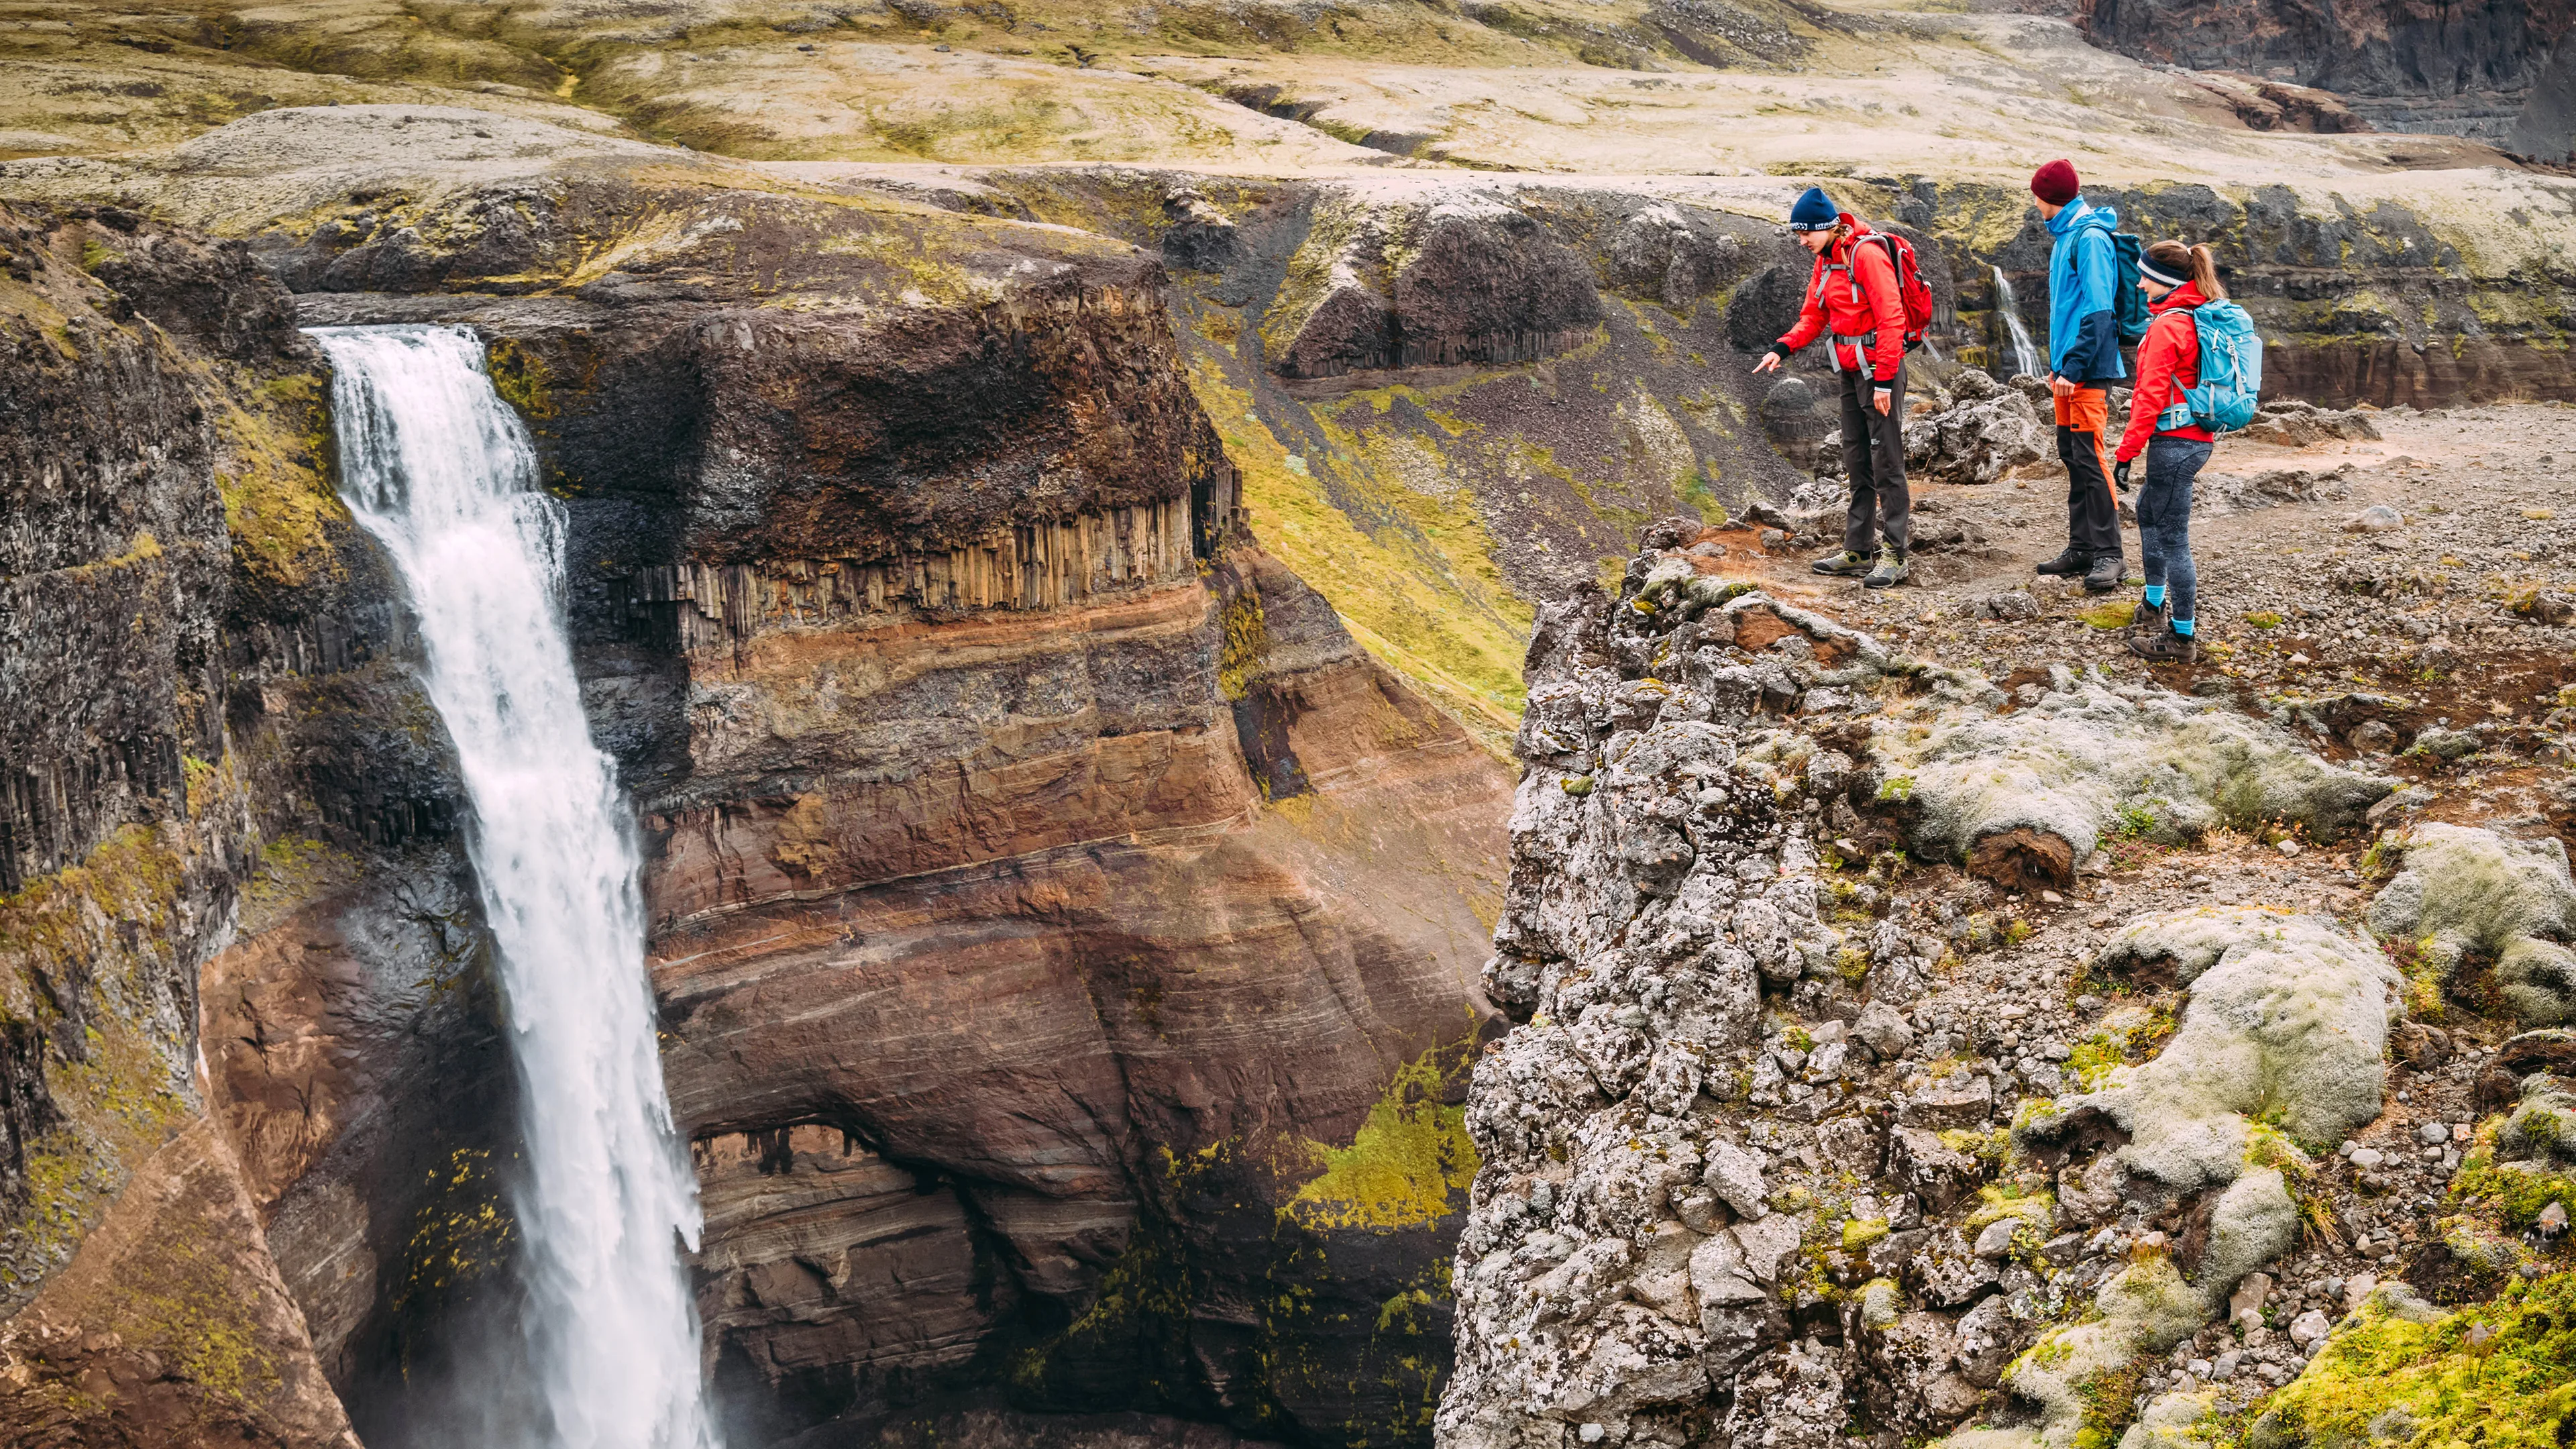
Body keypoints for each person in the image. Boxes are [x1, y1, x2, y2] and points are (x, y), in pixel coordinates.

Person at [1755, 186, 1911, 590]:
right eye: (1798, 234)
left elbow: (1893, 318)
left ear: (1827, 227)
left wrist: (1884, 379)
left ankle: (1896, 554)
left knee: (1887, 462)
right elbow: (1813, 315)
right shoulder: (1826, 263)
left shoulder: (1867, 255)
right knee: (1856, 458)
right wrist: (1782, 348)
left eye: (1806, 233)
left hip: (1879, 370)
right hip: (1849, 370)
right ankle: (1858, 551)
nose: (1802, 241)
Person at [2116, 239, 2223, 663]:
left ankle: (2181, 639)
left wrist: (2126, 452)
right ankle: (2154, 604)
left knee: (2173, 537)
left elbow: (2148, 397)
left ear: (2165, 281)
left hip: (2176, 443)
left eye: (2146, 277)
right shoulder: (2193, 315)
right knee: (2148, 513)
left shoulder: (2168, 327)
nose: (2140, 285)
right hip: (2193, 439)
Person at [2026, 160, 2127, 594]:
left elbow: (2100, 310)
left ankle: (2111, 554)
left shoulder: (2089, 239)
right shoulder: (2067, 235)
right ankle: (2082, 547)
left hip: (2084, 369)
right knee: (2072, 452)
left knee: (2090, 455)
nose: (2034, 203)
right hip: (2066, 368)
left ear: (2050, 197)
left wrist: (2075, 366)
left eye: (2037, 195)